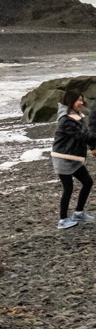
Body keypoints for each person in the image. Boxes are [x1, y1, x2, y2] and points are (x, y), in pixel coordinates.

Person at [51, 81, 93, 229]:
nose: (81, 102)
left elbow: (86, 135)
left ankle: (78, 213)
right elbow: (83, 136)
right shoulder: (66, 120)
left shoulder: (77, 115)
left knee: (88, 182)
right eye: (78, 100)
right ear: (71, 102)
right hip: (63, 158)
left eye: (82, 100)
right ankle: (62, 220)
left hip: (73, 157)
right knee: (68, 188)